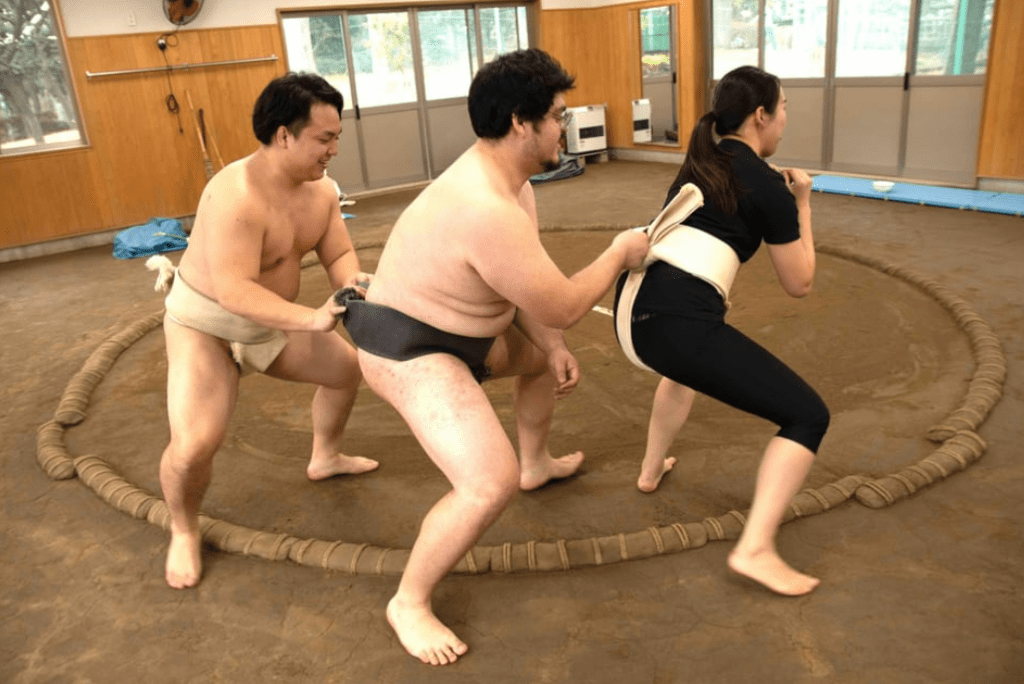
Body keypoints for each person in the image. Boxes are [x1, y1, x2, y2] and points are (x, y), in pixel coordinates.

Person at [345, 48, 648, 666]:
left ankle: (535, 462)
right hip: (407, 349)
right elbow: (561, 301)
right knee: (486, 484)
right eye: (559, 116)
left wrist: (553, 345)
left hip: (467, 333)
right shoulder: (483, 204)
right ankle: (409, 601)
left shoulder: (510, 184)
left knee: (539, 359)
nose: (566, 127)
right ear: (520, 121)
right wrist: (618, 253)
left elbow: (525, 290)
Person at [158, 72, 378, 590]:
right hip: (206, 325)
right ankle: (184, 529)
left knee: (346, 370)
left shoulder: (321, 192)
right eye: (324, 139)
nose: (334, 150)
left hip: (272, 321)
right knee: (194, 445)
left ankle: (325, 456)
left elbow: (338, 251)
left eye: (336, 136)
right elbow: (235, 293)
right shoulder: (234, 195)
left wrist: (350, 283)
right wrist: (312, 318)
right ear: (284, 135)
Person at [615, 65, 829, 596]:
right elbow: (799, 282)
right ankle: (755, 548)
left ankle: (649, 470)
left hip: (631, 311)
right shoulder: (767, 186)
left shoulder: (699, 162)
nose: (783, 122)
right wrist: (801, 203)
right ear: (760, 116)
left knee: (683, 371)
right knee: (807, 415)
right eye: (782, 112)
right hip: (673, 326)